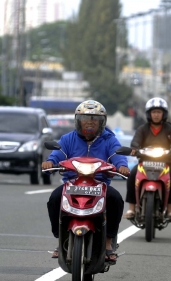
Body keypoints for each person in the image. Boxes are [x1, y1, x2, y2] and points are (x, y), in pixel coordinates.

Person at [42, 100, 130, 263]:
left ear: (101, 123)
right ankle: (60, 239)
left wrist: (122, 166)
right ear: (78, 121)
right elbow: (57, 153)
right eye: (85, 119)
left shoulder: (109, 140)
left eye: (94, 119)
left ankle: (108, 242)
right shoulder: (68, 139)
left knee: (116, 199)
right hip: (73, 183)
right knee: (55, 198)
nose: (90, 122)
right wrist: (50, 161)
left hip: (99, 185)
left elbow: (118, 156)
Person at [123, 97, 171, 222]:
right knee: (132, 174)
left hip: (165, 164)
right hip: (144, 163)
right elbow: (135, 142)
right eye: (154, 112)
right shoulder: (142, 129)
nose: (156, 115)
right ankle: (132, 208)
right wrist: (134, 149)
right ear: (149, 114)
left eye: (159, 112)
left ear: (164, 114)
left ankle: (170, 210)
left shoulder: (170, 128)